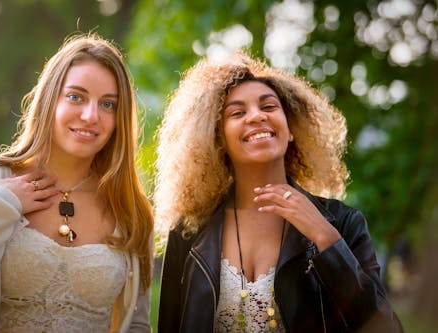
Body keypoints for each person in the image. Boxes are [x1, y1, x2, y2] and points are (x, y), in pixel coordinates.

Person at [155, 51, 403, 333]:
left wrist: (327, 240)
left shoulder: (343, 223)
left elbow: (386, 327)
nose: (256, 116)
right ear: (218, 139)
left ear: (292, 127)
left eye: (269, 107)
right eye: (237, 112)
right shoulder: (189, 232)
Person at [0, 33, 153, 333]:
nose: (91, 116)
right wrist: (0, 207)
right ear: (50, 99)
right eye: (76, 97)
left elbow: (137, 326)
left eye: (108, 104)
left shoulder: (129, 208)